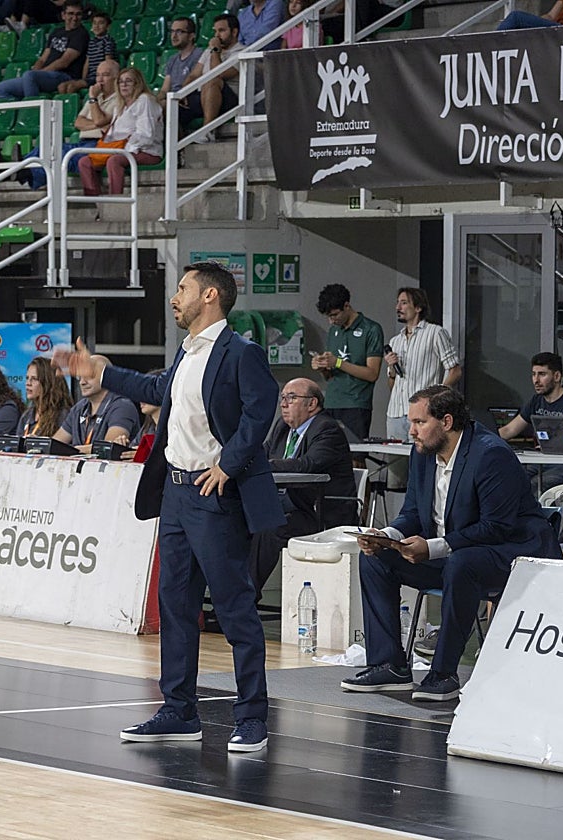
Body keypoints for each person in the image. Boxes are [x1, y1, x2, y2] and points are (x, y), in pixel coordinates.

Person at [54, 262, 284, 752]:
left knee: (234, 607)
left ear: (211, 297)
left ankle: (252, 718)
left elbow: (260, 410)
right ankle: (179, 710)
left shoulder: (242, 353)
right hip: (176, 495)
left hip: (214, 492)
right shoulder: (186, 352)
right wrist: (103, 371)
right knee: (175, 606)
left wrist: (229, 463)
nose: (175, 297)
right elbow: (158, 392)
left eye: (183, 289)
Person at [343, 386, 561, 702]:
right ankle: (389, 665)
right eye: (411, 423)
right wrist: (387, 537)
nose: (411, 431)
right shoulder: (423, 454)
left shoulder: (490, 454)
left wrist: (433, 547)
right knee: (375, 560)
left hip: (511, 556)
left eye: (419, 422)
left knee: (463, 564)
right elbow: (413, 514)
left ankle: (443, 674)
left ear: (446, 421)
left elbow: (496, 527)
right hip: (455, 552)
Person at [249, 378, 357, 594]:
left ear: (312, 404)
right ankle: (226, 597)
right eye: (283, 398)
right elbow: (261, 452)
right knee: (231, 520)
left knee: (268, 528)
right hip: (284, 505)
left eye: (292, 398)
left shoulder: (328, 429)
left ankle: (244, 600)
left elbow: (307, 465)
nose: (283, 404)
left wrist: (264, 465)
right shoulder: (282, 427)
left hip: (318, 511)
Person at [15, 58, 123, 190]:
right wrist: (97, 123)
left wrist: (94, 103)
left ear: (117, 78)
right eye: (98, 75)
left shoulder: (119, 99)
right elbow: (78, 122)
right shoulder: (97, 96)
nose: (100, 80)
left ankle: (18, 170)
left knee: (63, 155)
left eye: (105, 75)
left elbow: (100, 120)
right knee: (44, 148)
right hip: (83, 142)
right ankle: (16, 168)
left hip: (101, 144)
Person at [384, 287, 462, 442]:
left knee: (422, 462)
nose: (398, 307)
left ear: (418, 307)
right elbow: (392, 384)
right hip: (395, 413)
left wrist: (436, 398)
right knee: (395, 464)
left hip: (423, 413)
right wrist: (392, 368)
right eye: (398, 303)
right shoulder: (395, 341)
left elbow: (455, 370)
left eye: (404, 303)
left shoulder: (435, 333)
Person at [312, 282, 384, 440]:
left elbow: (372, 373)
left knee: (355, 455)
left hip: (356, 404)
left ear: (347, 306)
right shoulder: (333, 331)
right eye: (329, 316)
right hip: (331, 402)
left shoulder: (371, 329)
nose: (331, 321)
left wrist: (337, 363)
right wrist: (322, 367)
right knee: (329, 452)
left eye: (335, 315)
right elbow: (330, 376)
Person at [78, 66, 163, 197]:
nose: (123, 84)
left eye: (128, 81)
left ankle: (115, 202)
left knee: (114, 160)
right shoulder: (120, 105)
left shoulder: (145, 100)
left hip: (146, 151)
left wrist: (125, 148)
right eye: (120, 81)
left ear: (137, 83)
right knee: (85, 162)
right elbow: (112, 134)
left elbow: (146, 136)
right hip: (119, 149)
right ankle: (97, 205)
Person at [496, 352, 563, 451]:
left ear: (557, 376)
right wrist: (484, 437)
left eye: (542, 374)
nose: (536, 380)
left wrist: (552, 447)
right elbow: (509, 430)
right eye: (533, 374)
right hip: (541, 462)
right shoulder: (535, 401)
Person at [0, 1, 88, 100]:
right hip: (46, 75)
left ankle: (32, 112)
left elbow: (64, 62)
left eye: (78, 14)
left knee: (30, 76)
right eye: (70, 14)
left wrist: (40, 73)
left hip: (64, 75)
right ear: (63, 15)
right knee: (0, 88)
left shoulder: (81, 34)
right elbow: (43, 58)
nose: (75, 18)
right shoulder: (56, 32)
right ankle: (21, 110)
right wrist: (36, 70)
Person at [178, 14, 243, 144]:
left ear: (234, 32)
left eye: (222, 30)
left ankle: (207, 132)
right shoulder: (209, 50)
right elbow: (194, 75)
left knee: (211, 81)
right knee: (167, 106)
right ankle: (177, 150)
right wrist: (182, 93)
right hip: (203, 95)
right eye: (215, 31)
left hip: (228, 99)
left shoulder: (242, 51)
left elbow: (219, 74)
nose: (217, 35)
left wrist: (215, 51)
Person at [54, 354, 140, 451]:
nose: (82, 382)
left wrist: (70, 451)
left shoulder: (123, 406)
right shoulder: (79, 408)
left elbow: (108, 448)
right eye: (80, 377)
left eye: (89, 376)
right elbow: (55, 444)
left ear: (107, 377)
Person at [157, 17, 204, 130]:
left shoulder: (199, 55)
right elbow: (164, 89)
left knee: (166, 108)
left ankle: (177, 147)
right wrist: (154, 101)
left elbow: (196, 81)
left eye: (179, 31)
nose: (174, 36)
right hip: (174, 100)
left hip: (190, 100)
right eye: (172, 31)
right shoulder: (172, 59)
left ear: (192, 36)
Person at [58, 8, 115, 94]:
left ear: (108, 26)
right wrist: (83, 79)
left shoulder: (108, 41)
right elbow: (87, 63)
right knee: (61, 86)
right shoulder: (91, 42)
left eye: (101, 23)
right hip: (89, 78)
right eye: (94, 23)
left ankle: (74, 105)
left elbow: (108, 62)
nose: (97, 26)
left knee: (71, 87)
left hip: (99, 78)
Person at [16, 356, 74, 437]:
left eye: (34, 379)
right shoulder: (27, 415)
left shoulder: (62, 414)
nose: (28, 383)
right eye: (27, 378)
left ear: (48, 382)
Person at [496, 0, 563, 28]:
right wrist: (534, 22)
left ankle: (487, 46)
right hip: (556, 27)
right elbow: (550, 16)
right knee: (518, 24)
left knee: (516, 17)